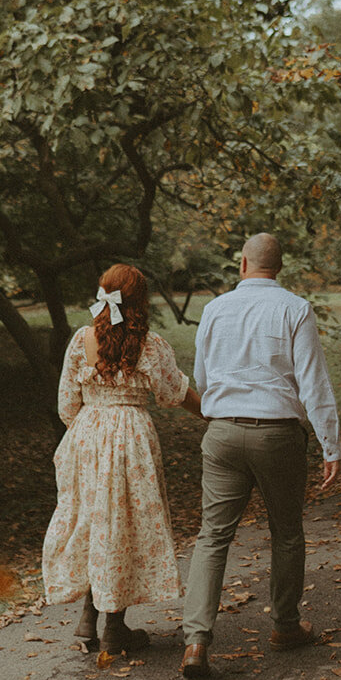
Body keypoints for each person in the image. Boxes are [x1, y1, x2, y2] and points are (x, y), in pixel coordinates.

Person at [181, 232, 340, 680]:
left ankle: (195, 640)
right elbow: (313, 382)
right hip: (277, 436)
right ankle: (285, 627)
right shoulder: (295, 308)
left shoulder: (214, 309)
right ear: (279, 268)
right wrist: (331, 445)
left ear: (243, 265)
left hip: (223, 433)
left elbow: (202, 375)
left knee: (212, 536)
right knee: (286, 532)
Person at [42, 263, 202, 656]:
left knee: (94, 521)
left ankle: (86, 621)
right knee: (123, 525)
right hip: (130, 437)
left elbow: (66, 403)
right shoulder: (150, 344)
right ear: (140, 302)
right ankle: (113, 628)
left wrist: (89, 431)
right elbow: (173, 393)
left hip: (87, 435)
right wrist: (214, 414)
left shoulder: (82, 340)